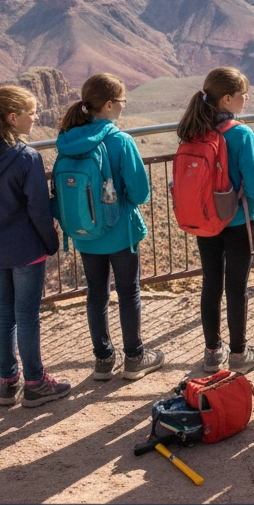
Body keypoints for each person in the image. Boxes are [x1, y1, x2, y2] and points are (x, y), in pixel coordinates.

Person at [55, 75, 164, 382]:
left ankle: (103, 360)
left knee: (96, 294)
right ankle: (134, 358)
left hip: (85, 233)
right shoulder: (120, 141)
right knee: (128, 293)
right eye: (122, 101)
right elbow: (140, 193)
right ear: (108, 104)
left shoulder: (67, 140)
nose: (123, 107)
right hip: (120, 234)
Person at [0, 87, 70, 407]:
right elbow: (38, 209)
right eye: (31, 112)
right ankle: (36, 383)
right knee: (26, 316)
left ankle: (8, 382)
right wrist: (51, 242)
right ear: (13, 118)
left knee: (5, 314)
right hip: (25, 248)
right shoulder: (27, 157)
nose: (36, 117)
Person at [177, 67, 254, 374]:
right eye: (243, 94)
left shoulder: (193, 129)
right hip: (238, 220)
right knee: (236, 286)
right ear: (227, 99)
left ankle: (212, 353)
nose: (246, 99)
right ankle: (239, 353)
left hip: (204, 220)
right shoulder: (240, 133)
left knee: (211, 282)